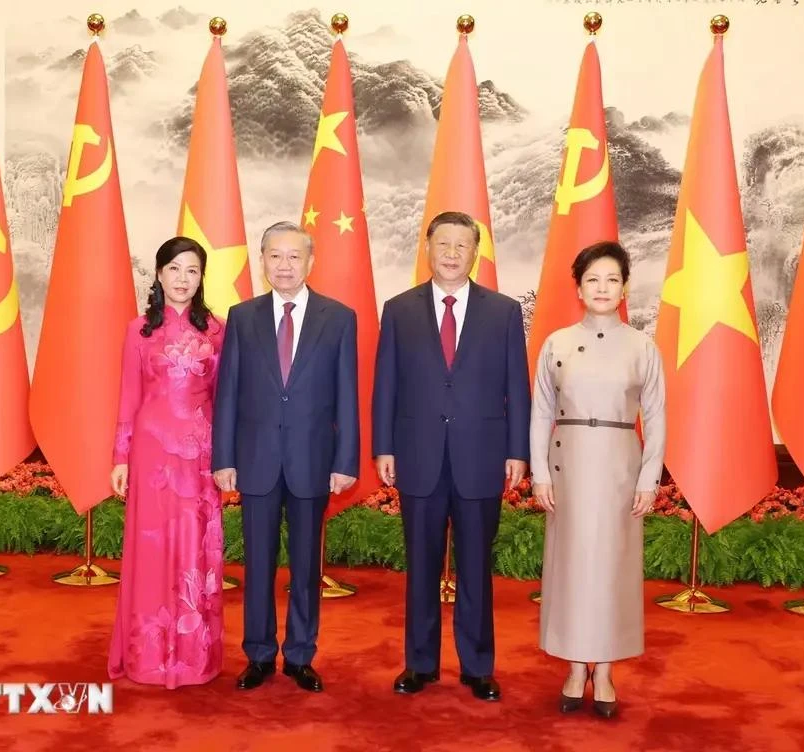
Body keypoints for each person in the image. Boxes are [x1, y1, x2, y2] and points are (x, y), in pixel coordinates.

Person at [372, 210, 531, 702]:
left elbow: (516, 389)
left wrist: (517, 451)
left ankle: (478, 665)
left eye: (463, 246)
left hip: (480, 457)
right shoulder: (398, 309)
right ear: (427, 248)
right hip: (418, 456)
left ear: (475, 253)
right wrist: (383, 446)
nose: (452, 254)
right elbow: (386, 386)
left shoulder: (503, 311)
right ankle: (419, 664)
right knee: (420, 566)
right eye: (443, 243)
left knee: (476, 567)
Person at [212, 220, 358, 694]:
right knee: (257, 566)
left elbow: (346, 396)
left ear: (310, 262)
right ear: (263, 262)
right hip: (255, 460)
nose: (285, 265)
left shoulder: (338, 318)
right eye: (275, 256)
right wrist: (223, 457)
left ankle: (299, 655)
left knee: (305, 568)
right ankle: (257, 654)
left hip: (312, 461)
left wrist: (345, 460)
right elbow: (228, 393)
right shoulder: (243, 316)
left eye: (294, 256)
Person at [530, 240, 666, 718]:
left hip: (619, 470)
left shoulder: (641, 346)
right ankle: (572, 666)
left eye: (612, 279)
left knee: (612, 570)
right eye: (593, 279)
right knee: (569, 569)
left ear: (624, 287)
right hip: (568, 468)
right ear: (579, 289)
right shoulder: (558, 343)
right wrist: (540, 473)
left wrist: (649, 478)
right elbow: (540, 412)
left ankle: (604, 670)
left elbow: (657, 416)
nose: (603, 288)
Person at [107, 236, 226, 689]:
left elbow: (223, 400)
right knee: (151, 552)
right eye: (174, 269)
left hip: (201, 456)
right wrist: (121, 456)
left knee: (197, 549)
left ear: (201, 278)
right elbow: (128, 398)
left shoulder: (217, 329)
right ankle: (149, 656)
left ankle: (195, 657)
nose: (183, 279)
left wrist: (226, 457)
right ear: (158, 274)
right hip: (152, 455)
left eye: (192, 270)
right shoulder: (138, 330)